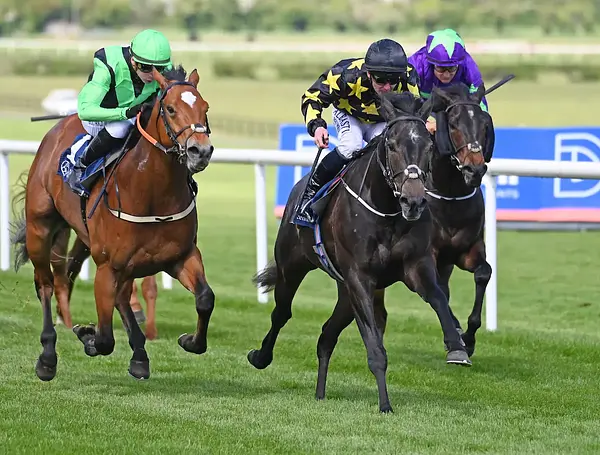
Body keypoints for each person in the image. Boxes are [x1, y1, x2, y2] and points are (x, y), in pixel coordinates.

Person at [296, 38, 420, 225]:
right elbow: (311, 97)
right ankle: (309, 195)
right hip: (349, 114)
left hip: (382, 120)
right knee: (351, 146)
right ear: (368, 73)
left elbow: (415, 108)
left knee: (388, 149)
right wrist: (317, 126)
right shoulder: (345, 74)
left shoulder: (408, 76)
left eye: (393, 81)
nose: (387, 87)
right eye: (380, 80)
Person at [68, 29, 173, 187]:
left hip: (134, 115)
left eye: (159, 68)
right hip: (99, 120)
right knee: (120, 128)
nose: (153, 75)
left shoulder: (164, 71)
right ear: (133, 61)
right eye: (146, 67)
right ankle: (81, 166)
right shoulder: (109, 66)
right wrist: (124, 113)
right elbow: (85, 111)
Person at [408, 28, 488, 134]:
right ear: (431, 63)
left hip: (455, 107)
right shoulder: (414, 65)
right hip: (423, 105)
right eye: (441, 68)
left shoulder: (468, 66)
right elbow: (407, 100)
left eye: (452, 68)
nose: (446, 75)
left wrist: (479, 119)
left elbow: (479, 102)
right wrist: (425, 121)